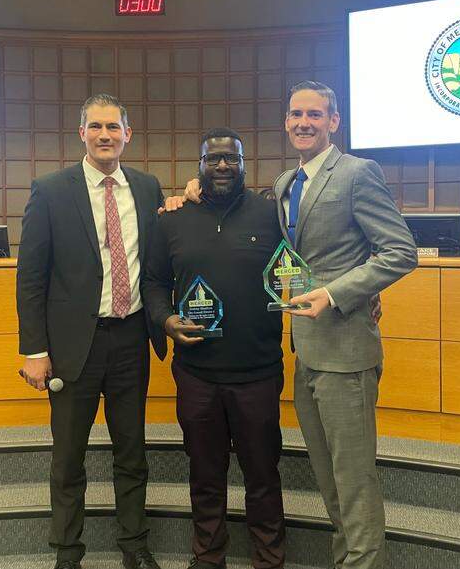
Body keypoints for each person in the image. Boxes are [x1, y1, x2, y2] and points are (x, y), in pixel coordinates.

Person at [171, 81, 418, 569]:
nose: (304, 122)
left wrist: (342, 293)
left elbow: (400, 251)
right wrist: (190, 195)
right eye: (295, 114)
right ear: (286, 122)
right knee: (329, 478)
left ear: (333, 122)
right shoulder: (285, 184)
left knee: (354, 480)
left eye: (315, 114)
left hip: (346, 351)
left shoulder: (357, 173)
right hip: (304, 350)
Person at [16, 94, 166, 569]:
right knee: (68, 459)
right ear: (81, 133)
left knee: (132, 452)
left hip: (130, 340)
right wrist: (34, 350)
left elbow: (162, 256)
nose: (105, 135)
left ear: (128, 134)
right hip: (71, 347)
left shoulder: (146, 188)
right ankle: (67, 553)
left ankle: (135, 548)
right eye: (96, 126)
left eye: (114, 127)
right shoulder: (50, 189)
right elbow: (31, 277)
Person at [143, 128, 287, 569]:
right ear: (199, 165)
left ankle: (270, 559)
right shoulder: (170, 219)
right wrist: (165, 320)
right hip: (197, 374)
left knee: (263, 476)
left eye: (232, 159)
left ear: (244, 165)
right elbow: (152, 283)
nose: (222, 166)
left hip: (258, 373)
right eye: (213, 159)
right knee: (205, 476)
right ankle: (207, 558)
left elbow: (301, 270)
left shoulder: (270, 215)